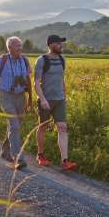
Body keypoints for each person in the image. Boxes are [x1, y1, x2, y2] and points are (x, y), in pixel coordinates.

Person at [0, 36, 32, 170]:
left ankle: (6, 150)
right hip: (5, 96)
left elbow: (28, 79)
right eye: (17, 45)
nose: (20, 48)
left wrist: (30, 98)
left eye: (20, 45)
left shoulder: (24, 60)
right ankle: (18, 158)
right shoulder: (2, 60)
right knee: (15, 125)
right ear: (10, 47)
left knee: (16, 125)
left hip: (20, 96)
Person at [34, 35, 78, 171]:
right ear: (51, 45)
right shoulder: (42, 60)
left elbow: (62, 79)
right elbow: (36, 82)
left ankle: (65, 160)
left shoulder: (62, 59)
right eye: (59, 44)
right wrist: (42, 99)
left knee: (62, 127)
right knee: (43, 127)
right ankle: (40, 155)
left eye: (61, 43)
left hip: (59, 100)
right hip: (46, 100)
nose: (61, 46)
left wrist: (64, 96)